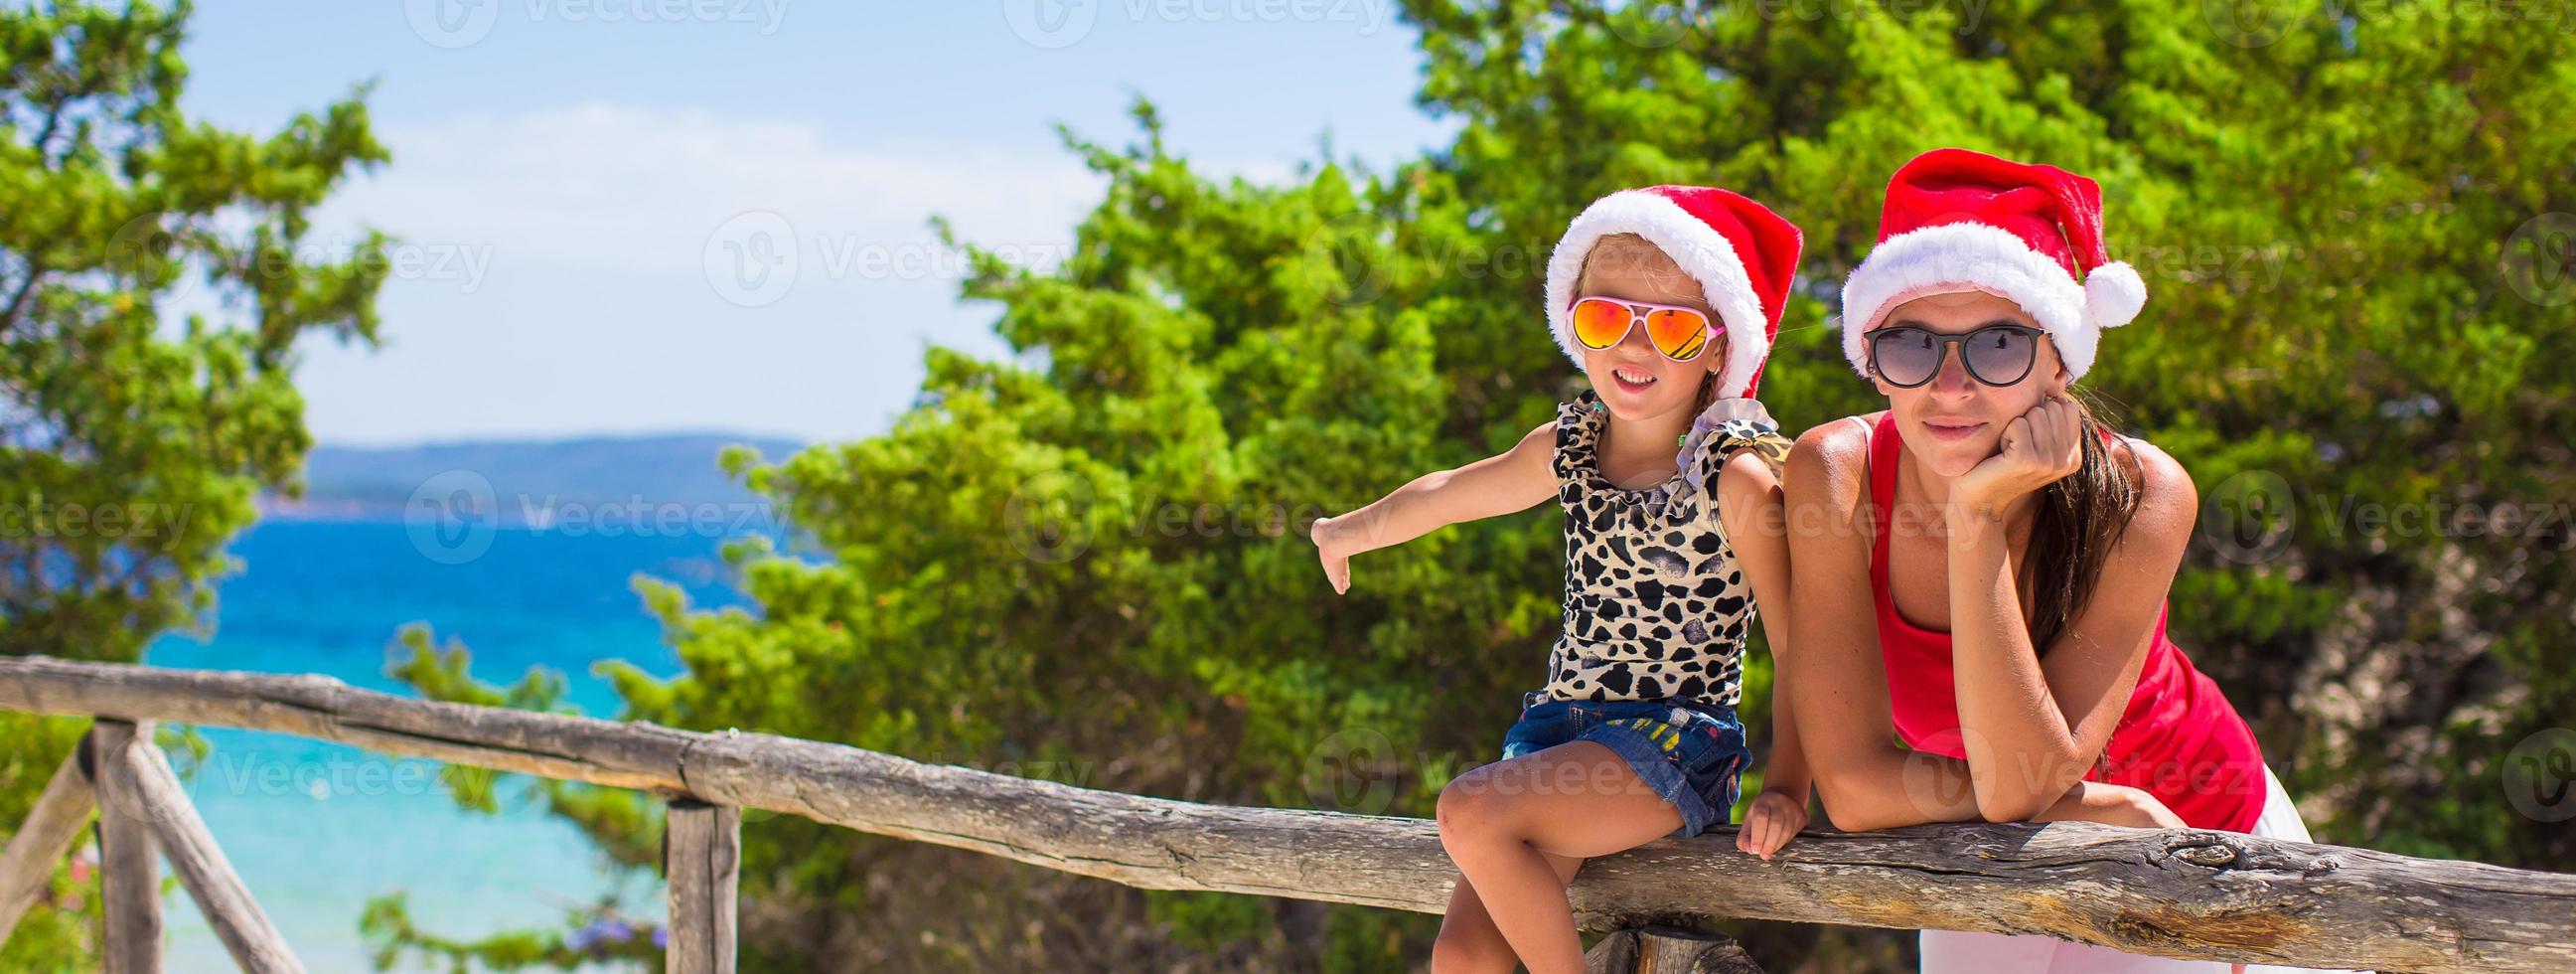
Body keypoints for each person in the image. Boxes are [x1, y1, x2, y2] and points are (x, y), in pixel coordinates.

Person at [1781, 147, 2364, 974]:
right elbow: (1848, 789)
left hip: (2199, 837)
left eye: (1998, 346)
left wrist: (1973, 518)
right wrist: (2100, 805)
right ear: (1870, 363)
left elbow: (2018, 785)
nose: (1949, 387)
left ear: (2058, 361)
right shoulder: (1833, 476)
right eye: (1910, 346)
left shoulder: (2143, 490)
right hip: (2006, 848)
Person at [1309, 185, 1812, 974]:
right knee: (1463, 959)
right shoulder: (1571, 442)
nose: (1634, 349)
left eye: (1673, 328)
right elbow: (1452, 492)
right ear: (1572, 321)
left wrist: (1787, 786)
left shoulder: (1734, 476)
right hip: (1559, 735)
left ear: (1720, 348)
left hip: (1672, 745)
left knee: (1470, 808)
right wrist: (1345, 531)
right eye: (1606, 318)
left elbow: (1799, 644)